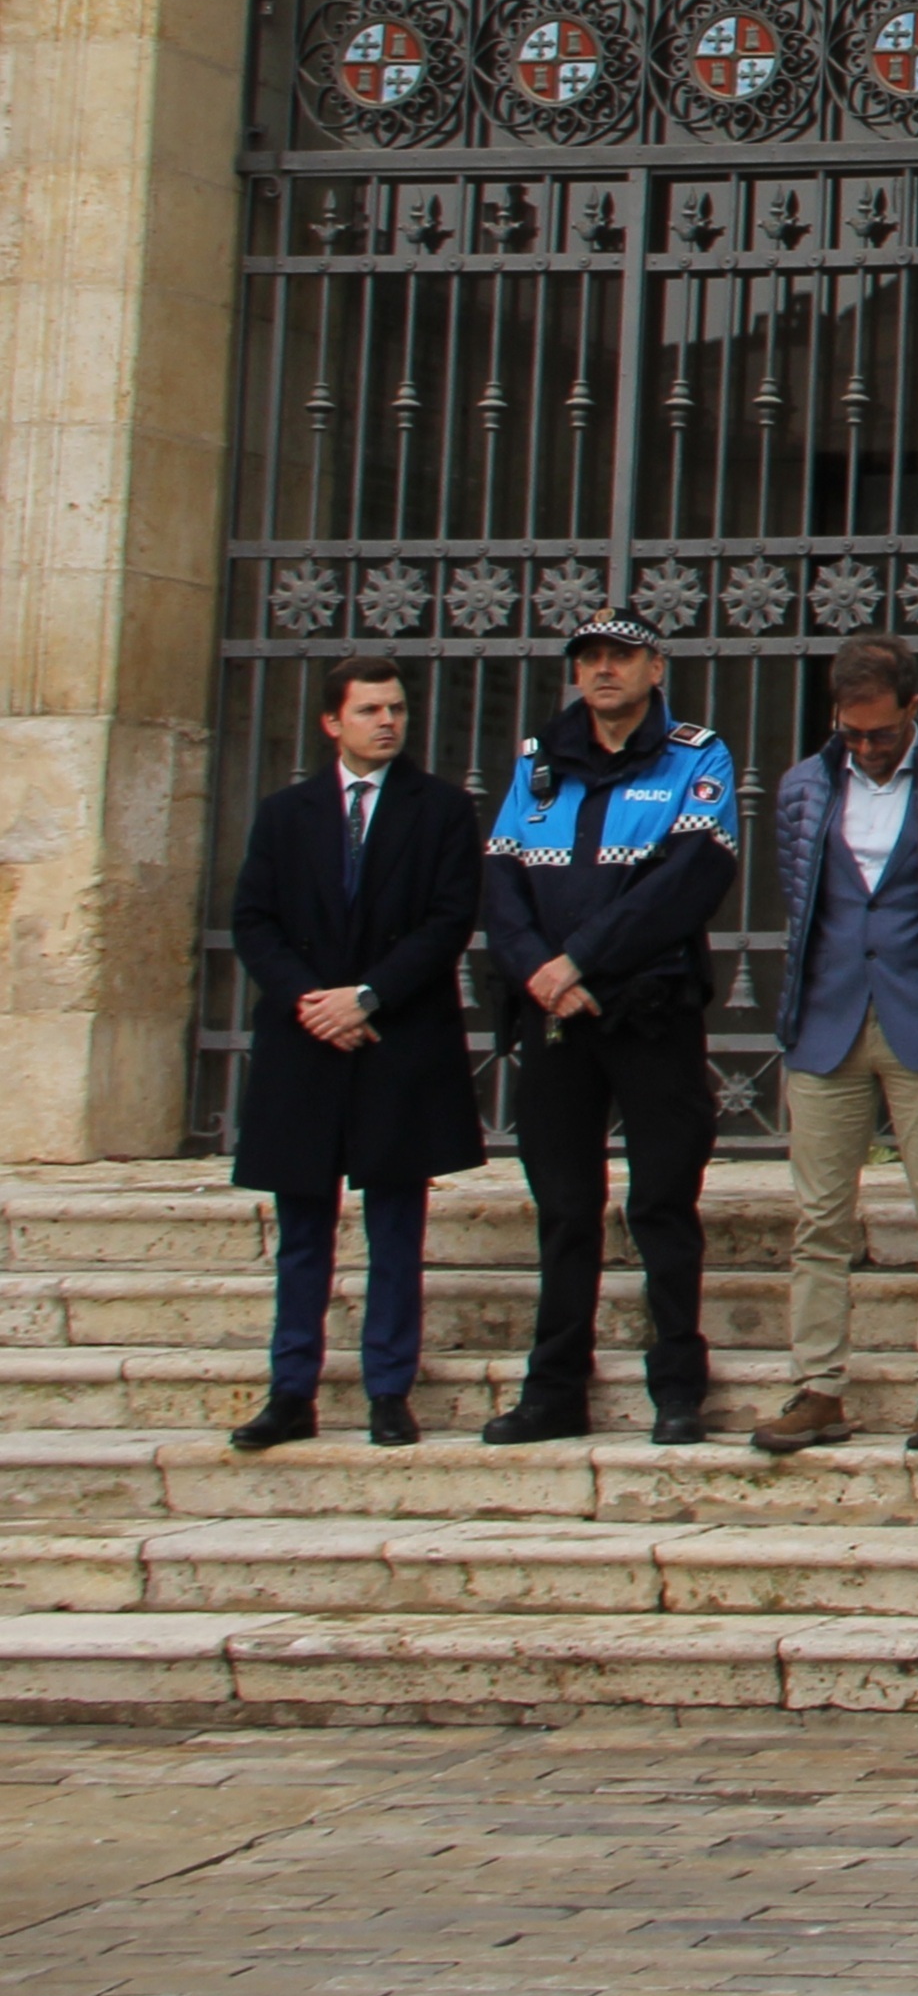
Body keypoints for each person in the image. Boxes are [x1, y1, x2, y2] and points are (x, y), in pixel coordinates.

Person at [749, 636, 918, 1458]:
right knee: (820, 1217)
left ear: (913, 709)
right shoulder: (804, 788)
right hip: (827, 1019)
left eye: (880, 732)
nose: (865, 748)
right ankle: (818, 1386)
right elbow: (799, 897)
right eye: (850, 732)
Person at [478, 606, 742, 1447]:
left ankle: (677, 1388)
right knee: (563, 1207)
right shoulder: (536, 764)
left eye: (621, 657)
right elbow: (502, 881)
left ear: (654, 668)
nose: (604, 671)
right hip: (556, 1018)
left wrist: (579, 961)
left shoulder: (698, 758)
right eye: (589, 657)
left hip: (650, 1013)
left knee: (663, 1204)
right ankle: (553, 1390)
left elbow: (689, 883)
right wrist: (540, 974)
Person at [222, 657, 486, 1453]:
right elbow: (253, 920)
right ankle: (291, 1390)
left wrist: (365, 997)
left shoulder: (440, 809)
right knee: (304, 1228)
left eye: (398, 708)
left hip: (397, 1037)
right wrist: (314, 1001)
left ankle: (387, 1390)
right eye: (371, 709)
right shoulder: (286, 813)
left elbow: (448, 921)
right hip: (306, 1045)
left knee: (397, 1225)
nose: (388, 722)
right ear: (333, 722)